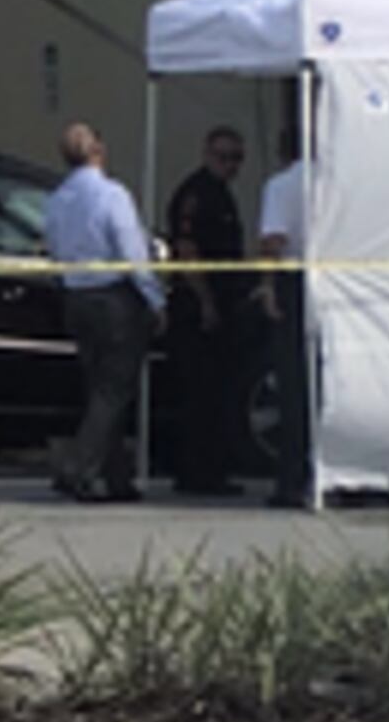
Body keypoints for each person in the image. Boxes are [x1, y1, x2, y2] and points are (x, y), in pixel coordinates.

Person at [45, 121, 165, 503]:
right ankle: (79, 467)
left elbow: (53, 249)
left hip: (77, 297)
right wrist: (155, 297)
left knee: (98, 390)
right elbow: (132, 250)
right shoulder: (112, 194)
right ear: (99, 149)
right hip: (114, 298)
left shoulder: (57, 199)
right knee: (114, 390)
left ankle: (116, 477)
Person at [160, 125, 255, 497]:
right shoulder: (195, 195)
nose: (231, 165)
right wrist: (205, 302)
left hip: (222, 303)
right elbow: (187, 251)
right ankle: (197, 473)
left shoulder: (222, 195)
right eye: (224, 156)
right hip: (198, 308)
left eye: (237, 158)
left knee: (216, 393)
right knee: (201, 393)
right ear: (206, 154)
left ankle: (210, 470)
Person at [254, 111, 312, 508]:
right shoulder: (332, 181)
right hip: (334, 281)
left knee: (292, 383)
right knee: (325, 381)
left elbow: (274, 239)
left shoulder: (280, 185)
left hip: (294, 279)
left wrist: (267, 286)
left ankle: (290, 479)